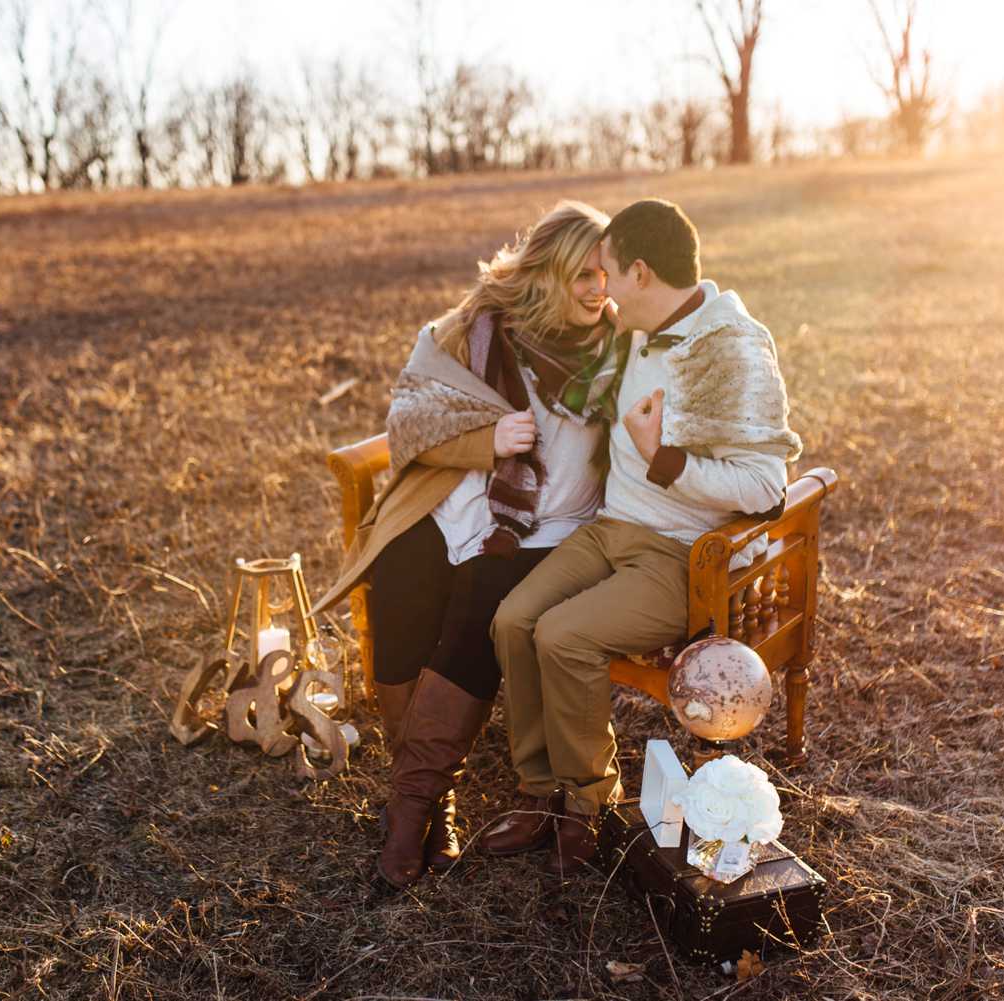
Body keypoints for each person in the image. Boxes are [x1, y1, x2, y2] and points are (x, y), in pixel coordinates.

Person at [479, 198, 803, 876]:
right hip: (608, 530)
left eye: (608, 274)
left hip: (678, 553)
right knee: (513, 618)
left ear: (641, 272)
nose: (603, 291)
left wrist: (666, 458)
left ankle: (588, 802)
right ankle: (540, 790)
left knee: (563, 635)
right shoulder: (635, 334)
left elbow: (765, 487)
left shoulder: (731, 347)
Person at [312, 201, 628, 889]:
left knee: (486, 587)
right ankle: (432, 799)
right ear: (542, 272)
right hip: (458, 505)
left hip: (551, 529)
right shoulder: (471, 330)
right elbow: (408, 420)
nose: (596, 289)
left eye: (603, 274)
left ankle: (411, 807)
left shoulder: (619, 347)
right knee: (399, 567)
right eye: (580, 275)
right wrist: (487, 441)